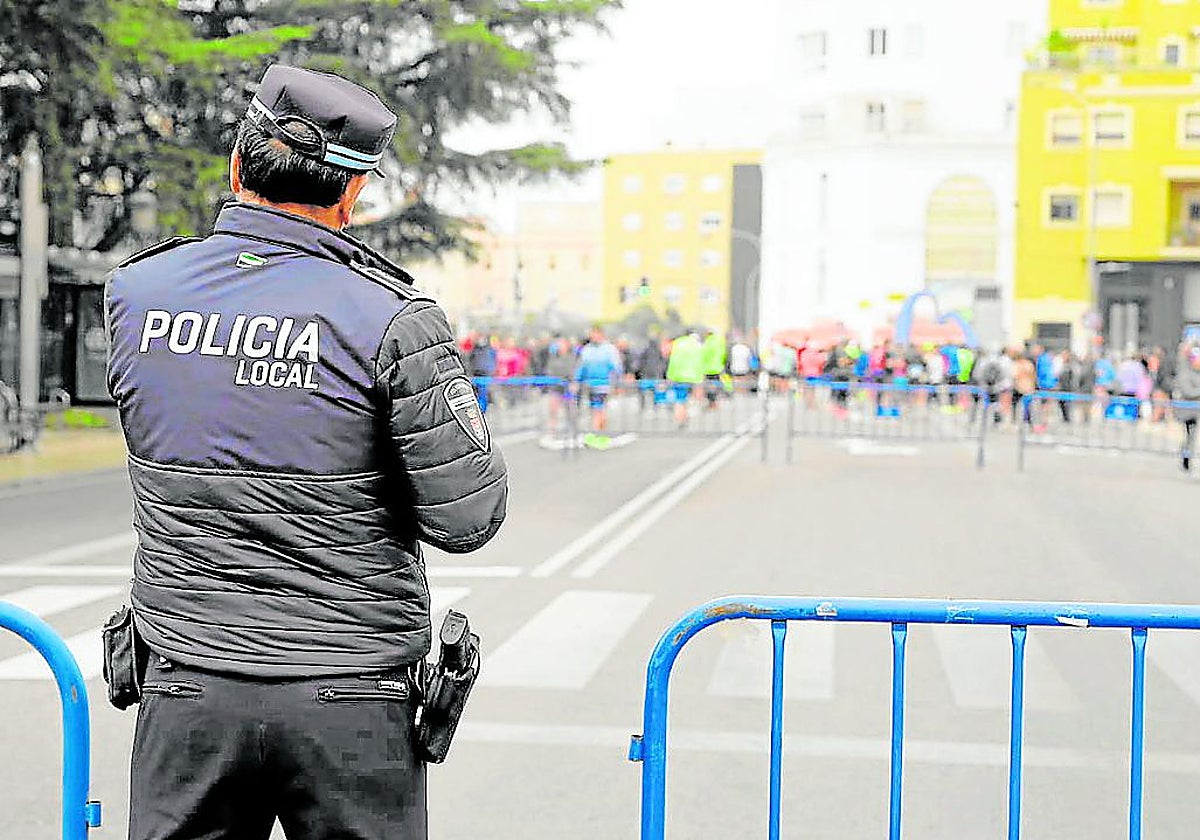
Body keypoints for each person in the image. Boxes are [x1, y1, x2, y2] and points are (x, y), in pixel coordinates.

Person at [104, 64, 509, 840]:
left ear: (236, 163)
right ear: (352, 197)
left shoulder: (138, 294)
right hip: (351, 697)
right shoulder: (391, 316)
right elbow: (469, 517)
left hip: (187, 680)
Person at [574, 325, 623, 445]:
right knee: (596, 409)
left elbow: (616, 367)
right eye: (592, 335)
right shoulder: (586, 349)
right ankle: (600, 433)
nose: (594, 337)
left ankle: (597, 433)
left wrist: (617, 383)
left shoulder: (609, 349)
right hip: (590, 384)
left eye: (596, 334)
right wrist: (576, 380)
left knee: (598, 408)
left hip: (604, 384)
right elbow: (581, 366)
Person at [667, 328, 705, 426]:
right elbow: (700, 361)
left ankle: (680, 417)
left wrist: (670, 375)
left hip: (678, 375)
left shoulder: (678, 343)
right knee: (690, 398)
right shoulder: (697, 344)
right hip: (693, 375)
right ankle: (685, 415)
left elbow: (673, 360)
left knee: (679, 399)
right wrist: (700, 376)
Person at [1173, 344, 1200, 471]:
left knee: (1192, 437)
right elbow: (1187, 391)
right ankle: (1186, 457)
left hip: (1196, 412)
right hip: (1188, 412)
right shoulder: (1185, 372)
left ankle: (1188, 456)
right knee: (1190, 436)